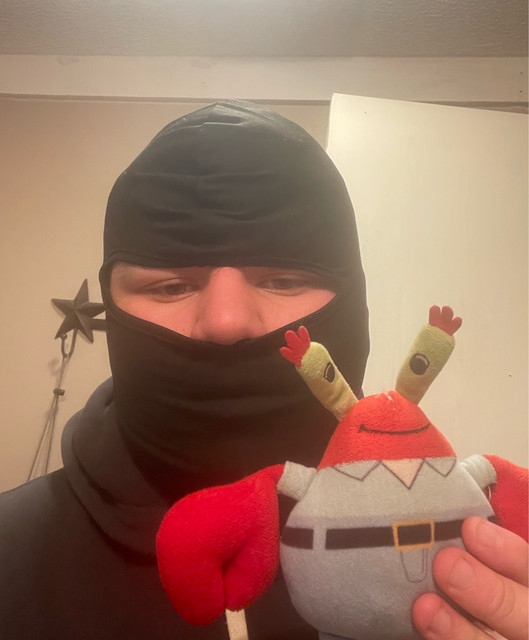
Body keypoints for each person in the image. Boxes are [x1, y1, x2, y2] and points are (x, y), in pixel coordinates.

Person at [0, 101, 526, 640]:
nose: (226, 321)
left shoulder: (488, 551)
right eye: (170, 286)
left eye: (283, 281)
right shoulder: (11, 559)